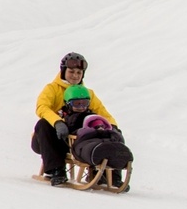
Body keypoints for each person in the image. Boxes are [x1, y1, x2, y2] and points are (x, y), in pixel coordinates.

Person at [32, 53, 119, 186]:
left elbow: (103, 113)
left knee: (108, 132)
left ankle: (107, 174)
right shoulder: (52, 89)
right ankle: (56, 170)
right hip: (51, 139)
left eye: (79, 72)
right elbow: (42, 107)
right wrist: (57, 122)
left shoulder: (87, 93)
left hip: (77, 141)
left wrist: (112, 126)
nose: (75, 75)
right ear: (63, 71)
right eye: (71, 71)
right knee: (43, 124)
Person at [71, 114, 133, 190]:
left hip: (108, 148)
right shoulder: (84, 132)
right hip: (91, 146)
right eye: (97, 126)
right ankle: (97, 176)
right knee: (99, 151)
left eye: (102, 126)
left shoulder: (110, 133)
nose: (100, 128)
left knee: (115, 153)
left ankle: (115, 179)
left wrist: (113, 134)